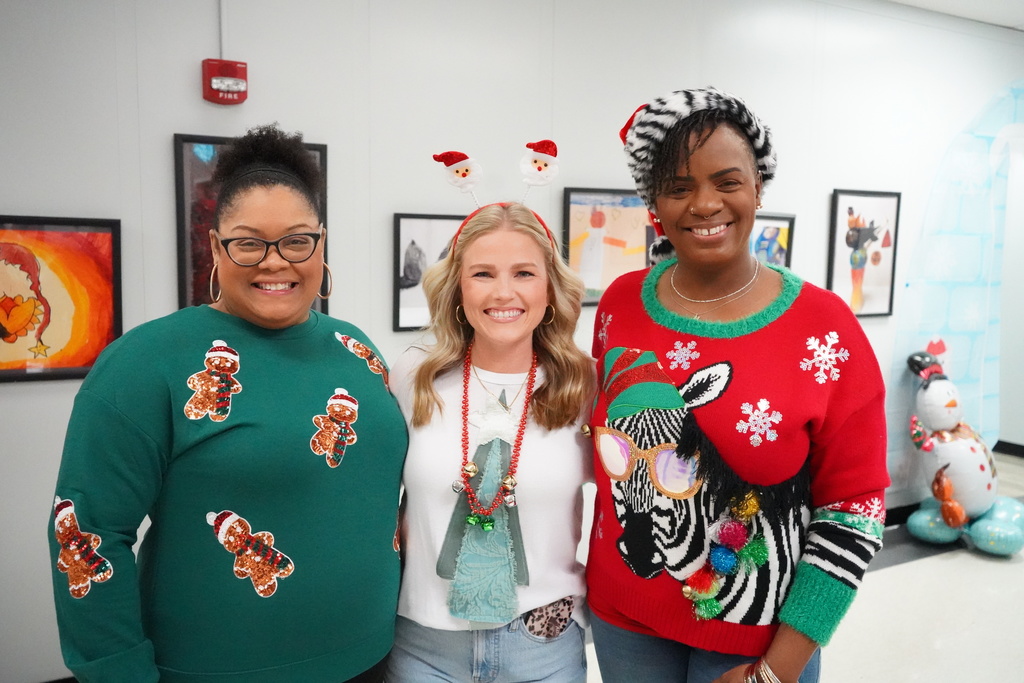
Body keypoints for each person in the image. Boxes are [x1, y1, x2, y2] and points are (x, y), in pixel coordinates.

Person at [47, 123, 407, 683]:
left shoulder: (357, 350)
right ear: (217, 247)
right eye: (248, 242)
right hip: (215, 670)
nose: (274, 261)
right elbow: (86, 534)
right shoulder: (144, 364)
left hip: (376, 657)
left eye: (295, 240)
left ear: (320, 243)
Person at [585, 87, 889, 683]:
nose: (704, 204)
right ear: (654, 203)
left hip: (761, 639)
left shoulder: (824, 328)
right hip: (623, 621)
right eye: (678, 186)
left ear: (757, 188)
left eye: (727, 181)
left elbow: (855, 510)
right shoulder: (619, 304)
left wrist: (778, 670)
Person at [385, 202, 595, 683]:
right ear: (458, 287)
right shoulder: (411, 375)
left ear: (549, 289)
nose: (504, 292)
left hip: (544, 646)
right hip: (423, 647)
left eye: (524, 273)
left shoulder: (585, 385)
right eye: (483, 273)